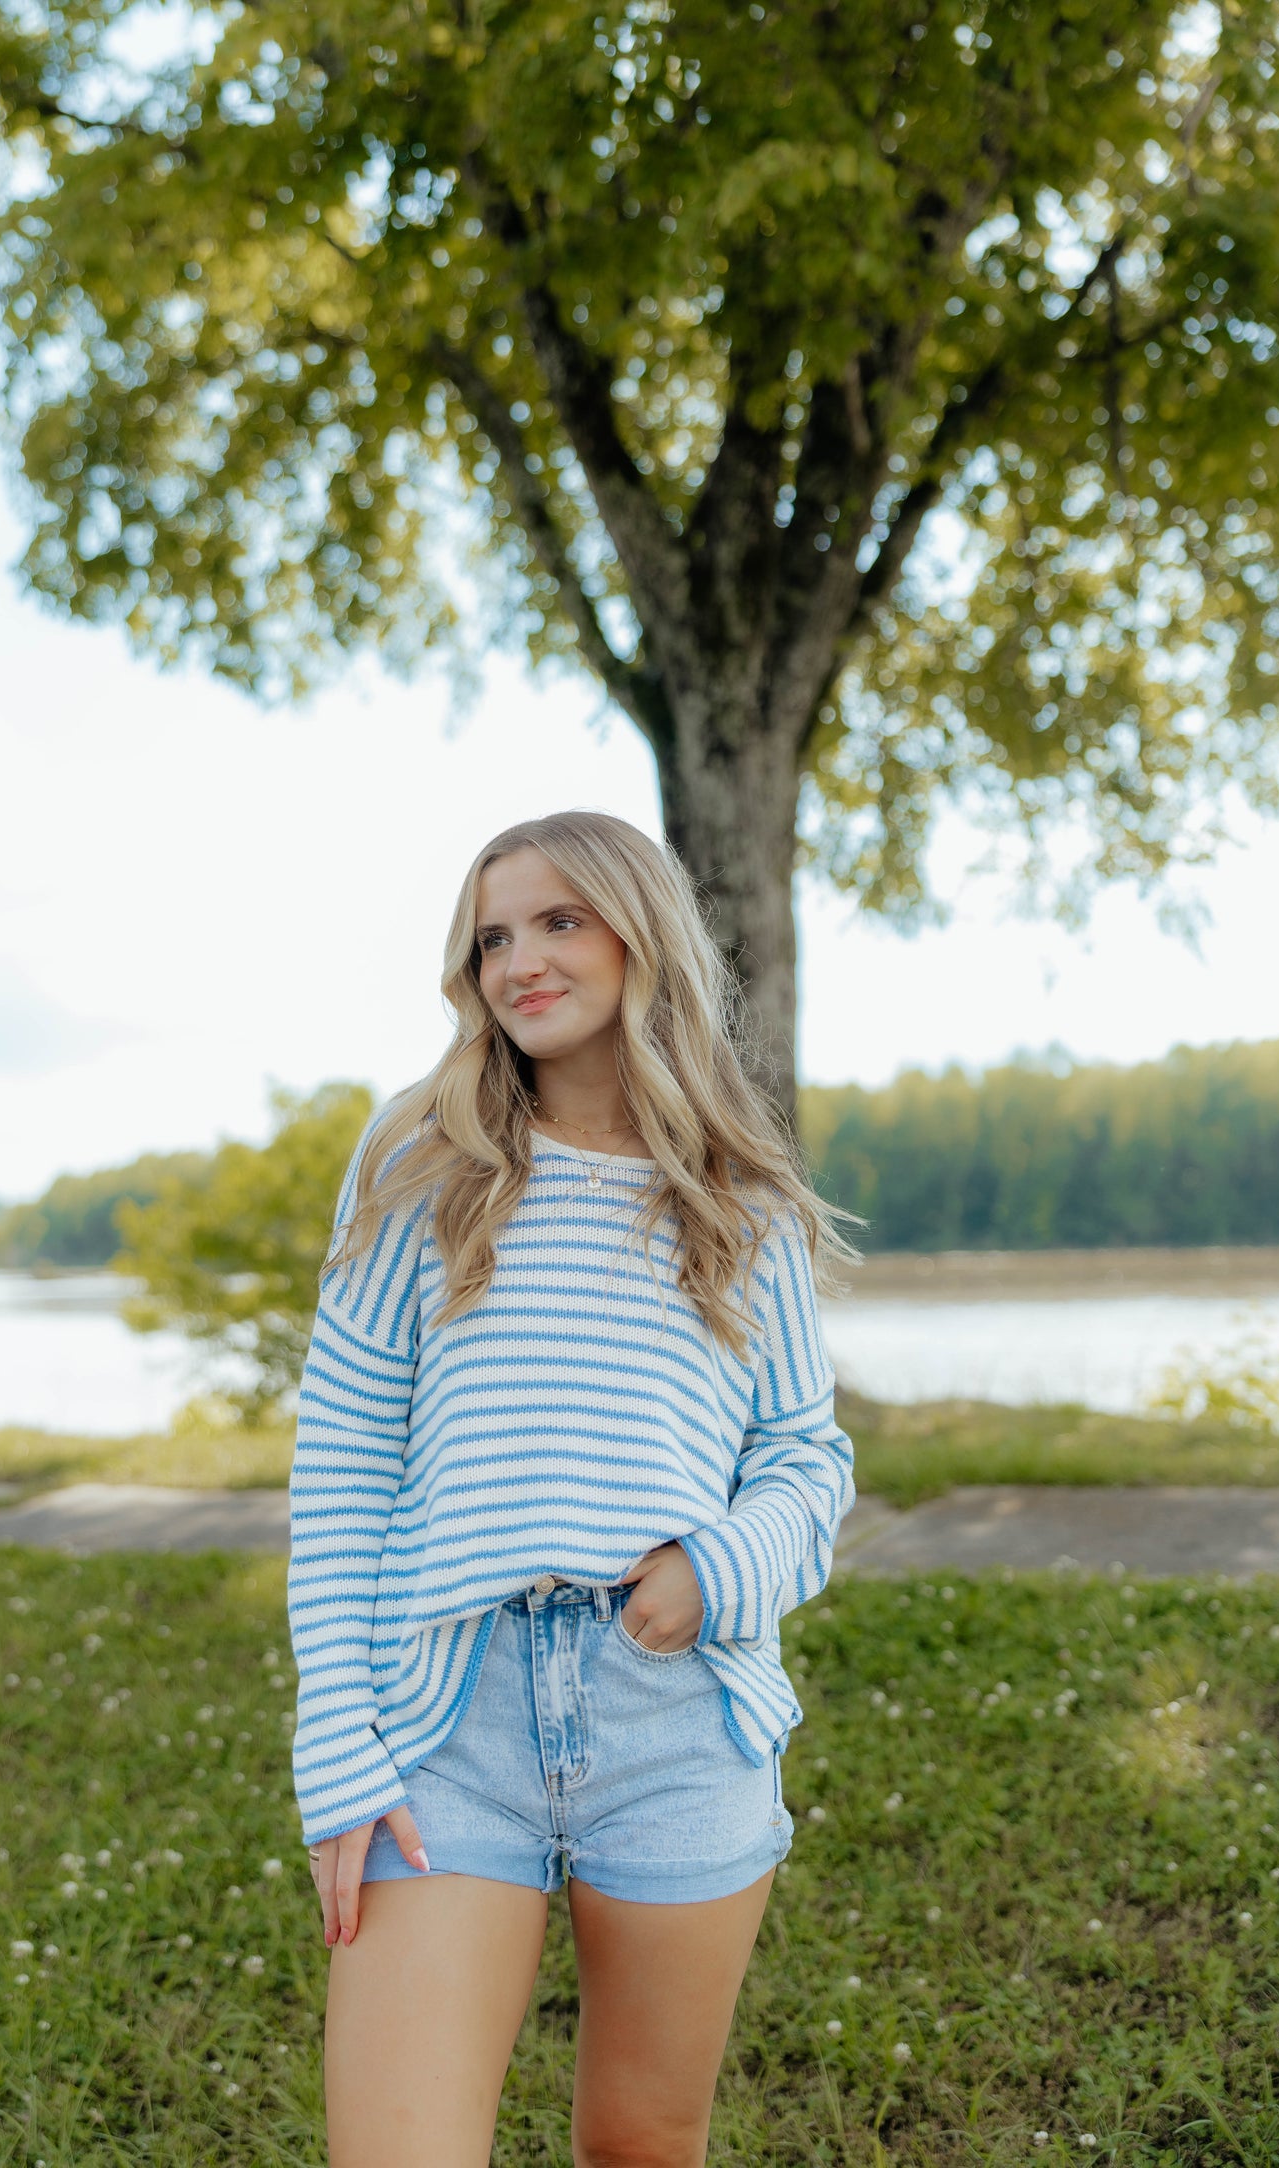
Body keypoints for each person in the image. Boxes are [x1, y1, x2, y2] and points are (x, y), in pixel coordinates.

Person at [287, 808, 857, 2168]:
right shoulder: (419, 1158)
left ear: (638, 934)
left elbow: (803, 1457)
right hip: (448, 1721)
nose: (517, 962)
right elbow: (346, 1459)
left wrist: (714, 1571)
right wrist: (337, 1737)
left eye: (557, 922)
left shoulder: (738, 1198)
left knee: (641, 2142)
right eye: (491, 936)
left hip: (678, 1723)